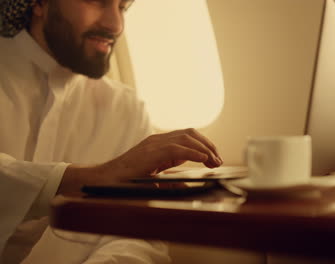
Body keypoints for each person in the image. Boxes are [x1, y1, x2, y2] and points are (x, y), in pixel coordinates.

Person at [0, 0, 223, 263]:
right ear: (39, 3)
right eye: (98, 1)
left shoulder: (126, 109)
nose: (116, 25)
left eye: (123, 6)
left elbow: (137, 236)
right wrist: (95, 177)